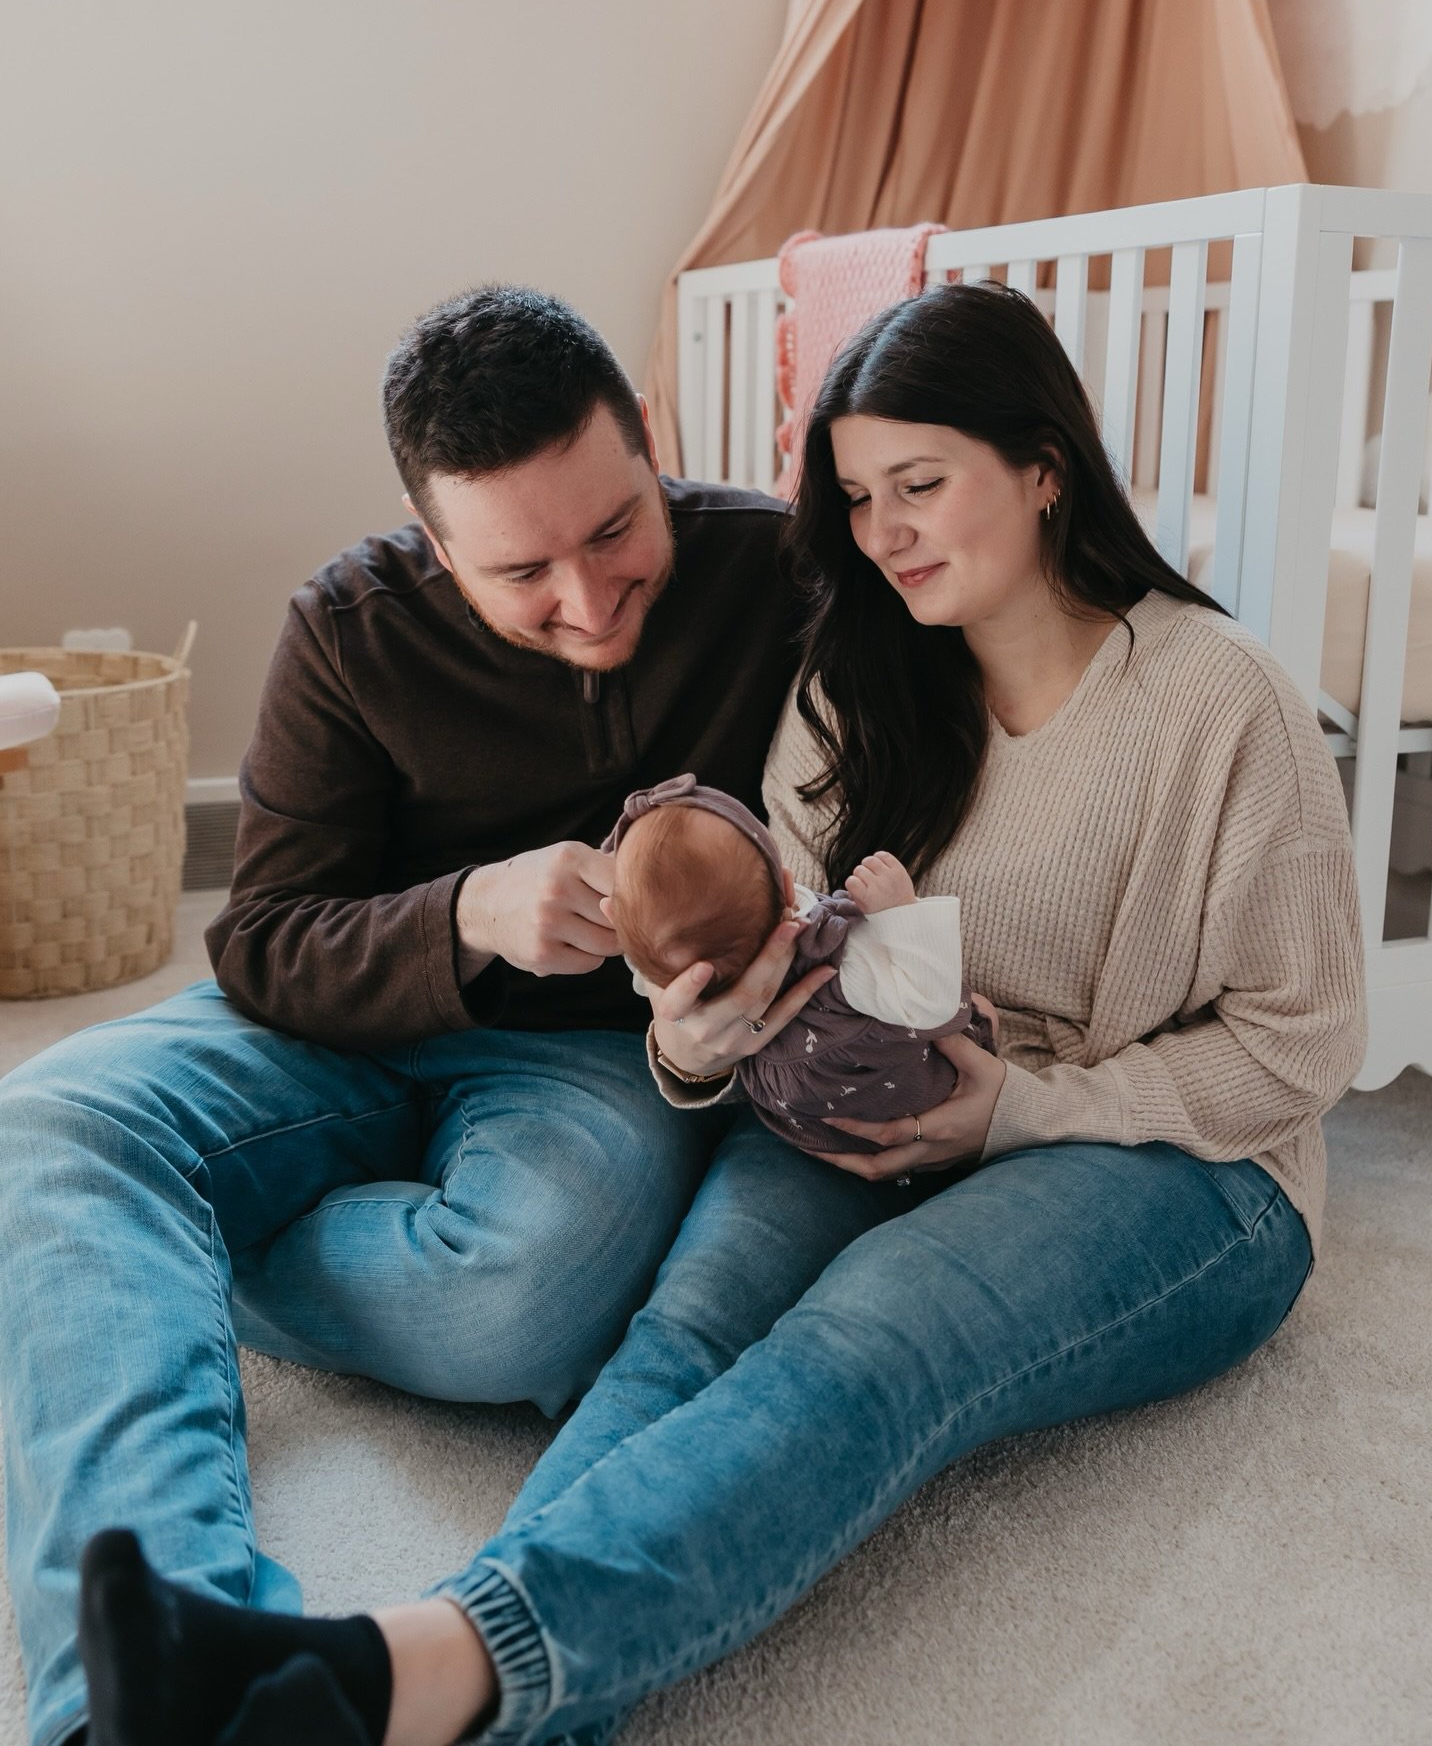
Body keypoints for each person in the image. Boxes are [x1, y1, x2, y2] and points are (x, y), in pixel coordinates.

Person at [73, 278, 1366, 1746]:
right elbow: (770, 976)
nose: (884, 534)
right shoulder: (853, 678)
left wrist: (1020, 1111)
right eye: (859, 496)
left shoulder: (1222, 702)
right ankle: (396, 1692)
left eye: (922, 485)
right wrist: (695, 1044)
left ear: (1045, 463)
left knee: (878, 1332)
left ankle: (394, 1675)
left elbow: (1299, 1048)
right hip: (864, 1113)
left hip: (1172, 1161)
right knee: (681, 1335)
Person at [0, 283, 868, 1746]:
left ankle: (157, 1252)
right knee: (49, 1123)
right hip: (334, 1026)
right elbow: (261, 940)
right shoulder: (349, 623)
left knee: (533, 1299)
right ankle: (126, 1708)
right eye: (521, 571)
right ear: (434, 542)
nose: (588, 601)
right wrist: (465, 914)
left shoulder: (776, 577)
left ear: (647, 449)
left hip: (588, 1066)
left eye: (612, 531)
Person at [603, 773, 995, 1156]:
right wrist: (901, 912)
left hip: (807, 1136)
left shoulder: (669, 982)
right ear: (788, 888)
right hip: (921, 1103)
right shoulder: (840, 961)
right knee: (976, 1014)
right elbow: (929, 1003)